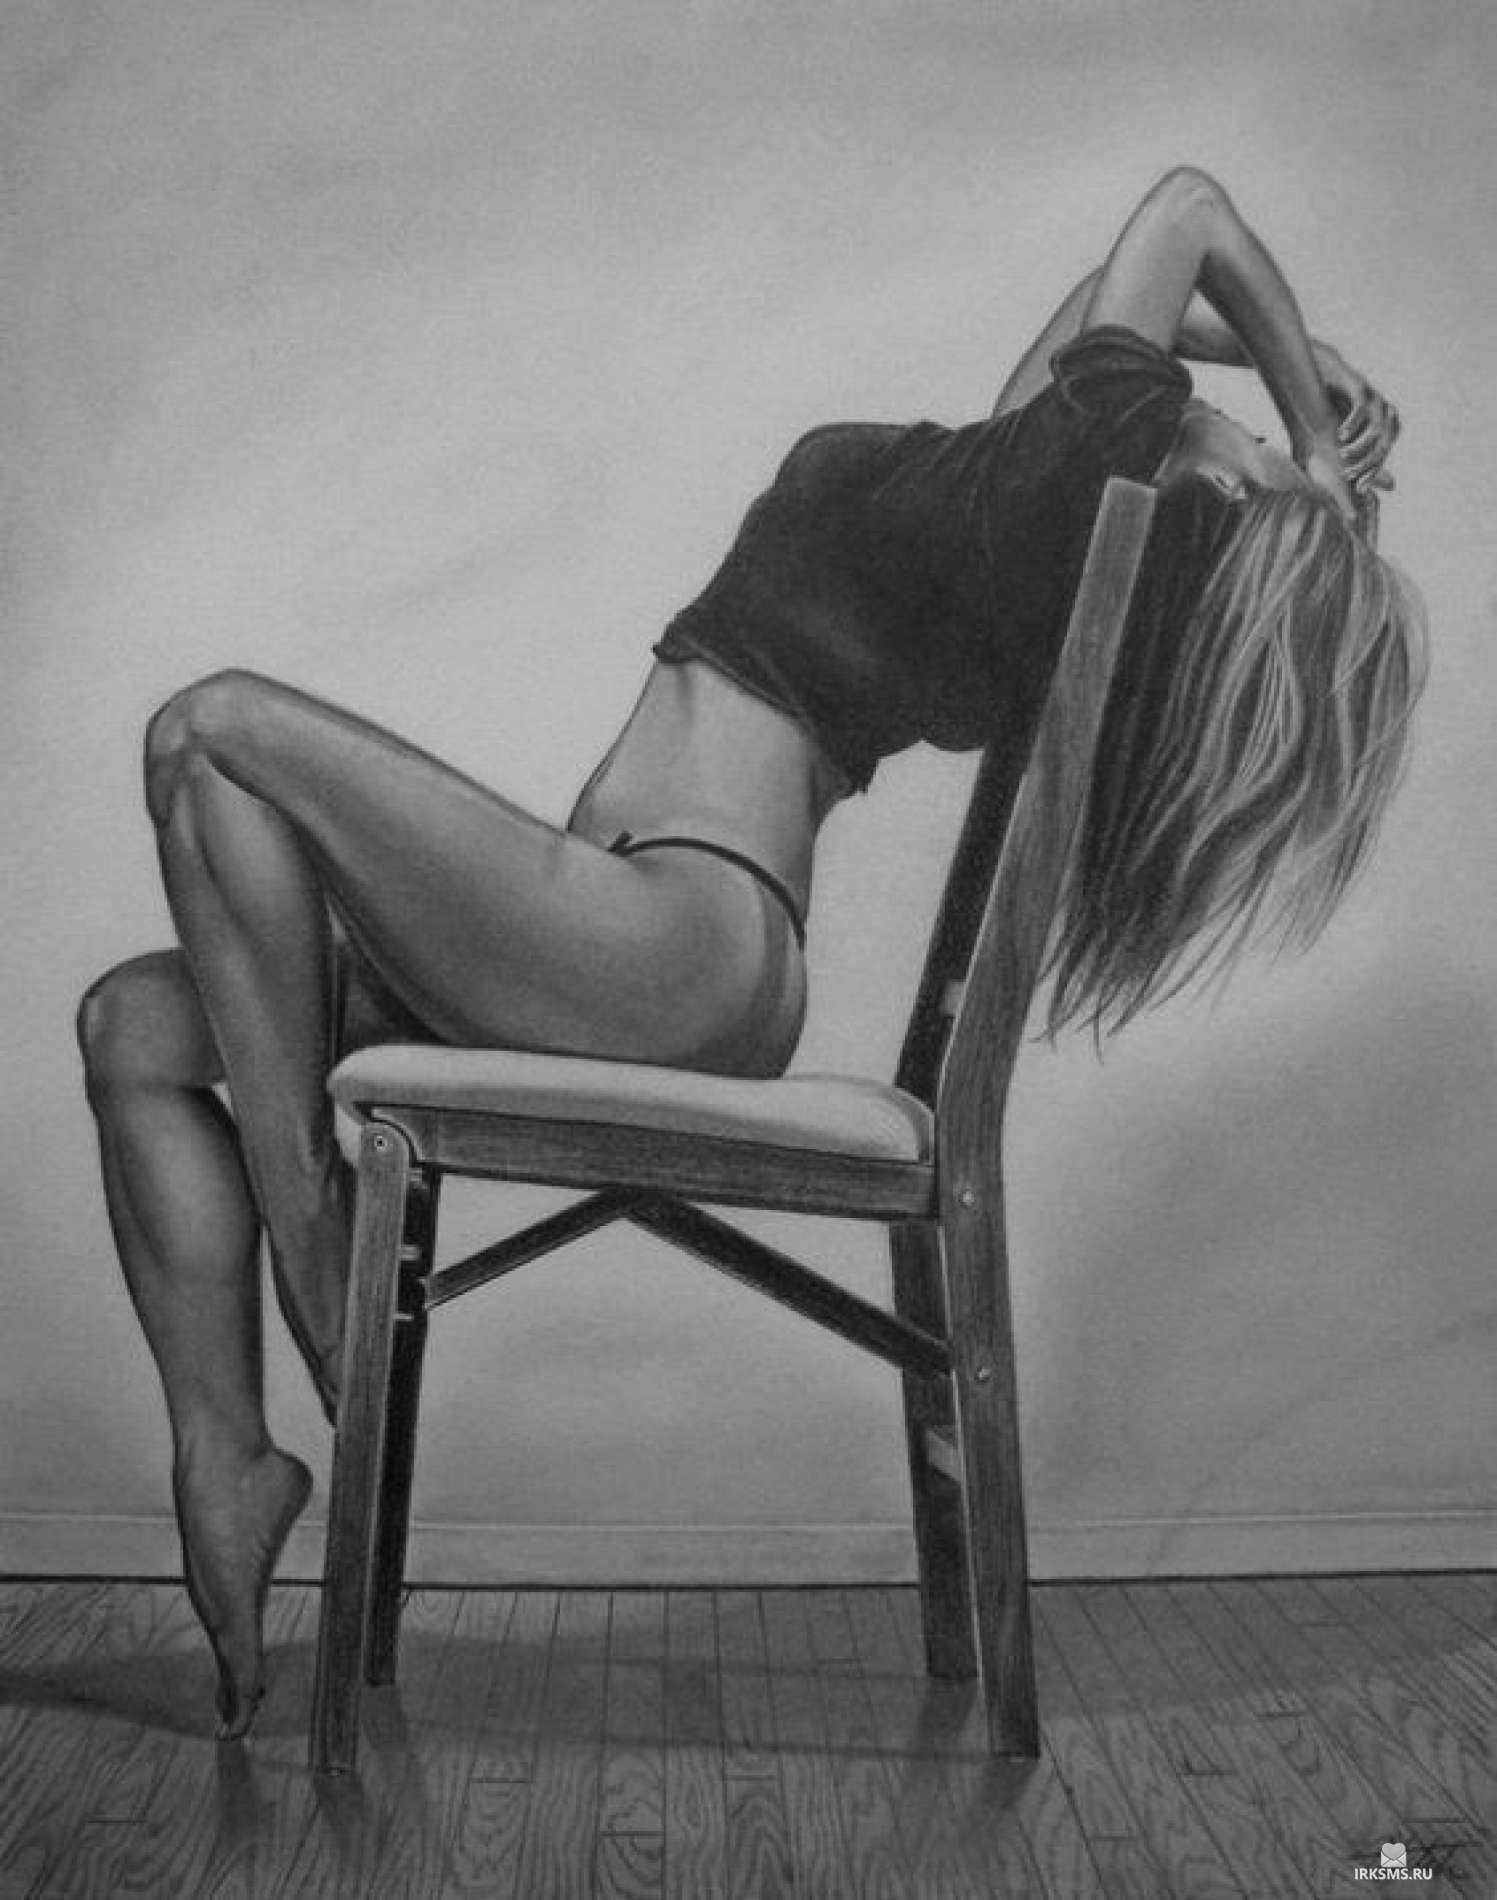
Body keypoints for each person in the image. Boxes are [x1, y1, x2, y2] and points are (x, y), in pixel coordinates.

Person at [76, 166, 1422, 1738]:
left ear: (1223, 504)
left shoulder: (1060, 484)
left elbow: (1186, 211)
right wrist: (1288, 357)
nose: (1237, 426)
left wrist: (1310, 435)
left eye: (1251, 455)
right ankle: (228, 1458)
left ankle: (313, 1242)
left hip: (674, 950)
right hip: (612, 938)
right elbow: (1119, 307)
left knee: (211, 731)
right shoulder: (1014, 491)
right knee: (136, 1029)